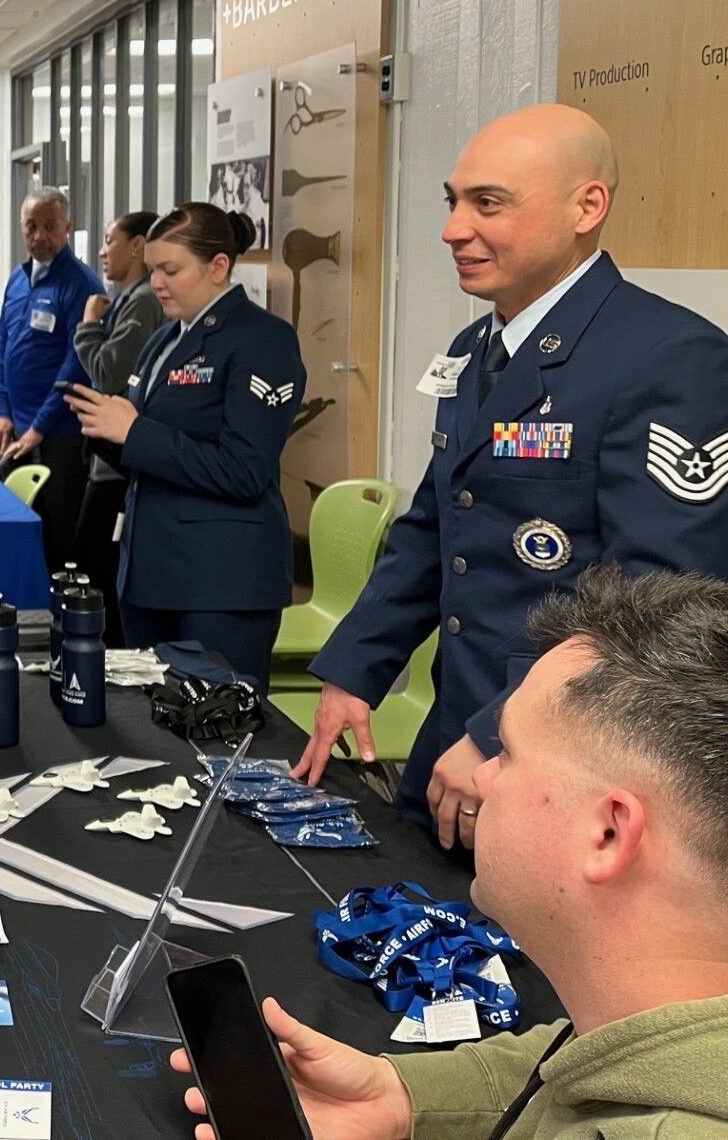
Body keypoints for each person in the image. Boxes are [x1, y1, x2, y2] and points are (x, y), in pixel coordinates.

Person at [298, 104, 728, 846]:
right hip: (453, 745)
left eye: (487, 203)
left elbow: (656, 604)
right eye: (452, 201)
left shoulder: (668, 357)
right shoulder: (477, 346)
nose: (451, 229)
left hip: (567, 772)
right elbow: (435, 527)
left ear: (587, 207)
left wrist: (502, 733)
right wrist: (354, 671)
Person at [174, 566, 728, 1140]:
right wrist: (402, 1097)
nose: (484, 778)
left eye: (507, 753)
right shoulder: (653, 1029)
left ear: (608, 834)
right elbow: (586, 1061)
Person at [64, 204, 304, 690]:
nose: (157, 283)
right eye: (152, 270)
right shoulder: (163, 341)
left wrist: (134, 432)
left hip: (220, 586)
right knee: (157, 734)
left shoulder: (263, 340)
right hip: (152, 574)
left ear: (218, 267)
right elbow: (149, 455)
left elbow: (244, 470)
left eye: (171, 270)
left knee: (219, 736)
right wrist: (105, 430)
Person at [65, 210, 167, 648]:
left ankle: (104, 664)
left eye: (111, 240)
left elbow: (108, 374)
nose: (103, 251)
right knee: (92, 563)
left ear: (138, 245)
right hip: (107, 457)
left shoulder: (144, 300)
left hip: (120, 464)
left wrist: (88, 325)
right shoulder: (129, 299)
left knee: (94, 567)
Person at [0, 187, 107, 570]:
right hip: (19, 426)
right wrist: (3, 410)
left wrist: (39, 427)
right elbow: (3, 347)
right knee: (26, 531)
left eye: (50, 226)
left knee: (61, 538)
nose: (39, 236)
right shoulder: (18, 278)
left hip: (60, 434)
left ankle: (64, 621)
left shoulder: (82, 284)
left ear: (68, 228)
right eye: (31, 226)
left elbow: (76, 364)